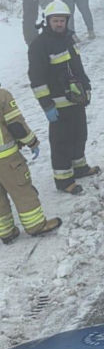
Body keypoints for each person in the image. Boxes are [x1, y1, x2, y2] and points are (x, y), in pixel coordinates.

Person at [27, 0, 99, 195]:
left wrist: (87, 87)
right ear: (47, 21)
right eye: (55, 20)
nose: (59, 24)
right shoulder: (39, 45)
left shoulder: (68, 39)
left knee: (79, 134)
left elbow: (77, 67)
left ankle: (80, 167)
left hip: (76, 100)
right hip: (58, 106)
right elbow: (36, 79)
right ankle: (64, 179)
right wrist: (47, 105)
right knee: (61, 142)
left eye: (62, 20)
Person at [0, 80, 61, 243]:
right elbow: (16, 126)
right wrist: (32, 142)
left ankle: (6, 231)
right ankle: (36, 226)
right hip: (6, 159)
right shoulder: (2, 95)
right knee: (22, 191)